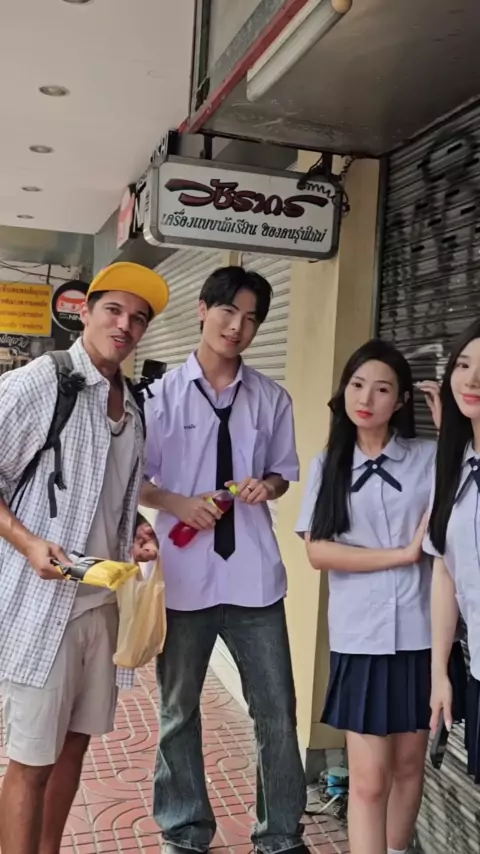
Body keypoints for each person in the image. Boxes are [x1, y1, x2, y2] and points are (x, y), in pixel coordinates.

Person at [0, 261, 169, 854]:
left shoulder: (133, 406)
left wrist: (137, 529)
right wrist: (27, 542)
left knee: (74, 748)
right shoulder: (40, 383)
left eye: (138, 318)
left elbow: (112, 493)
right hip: (44, 607)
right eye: (113, 310)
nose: (125, 325)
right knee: (31, 761)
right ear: (85, 311)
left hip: (103, 604)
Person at [140, 266, 307, 854]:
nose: (238, 327)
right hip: (184, 579)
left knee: (277, 712)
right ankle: (185, 831)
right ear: (203, 310)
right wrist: (177, 502)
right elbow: (136, 481)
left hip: (254, 578)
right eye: (228, 312)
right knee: (178, 710)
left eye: (251, 318)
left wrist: (267, 486)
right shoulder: (157, 398)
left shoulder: (272, 398)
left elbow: (283, 473)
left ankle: (280, 835)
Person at [295, 339, 466, 854]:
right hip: (361, 640)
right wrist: (400, 554)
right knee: (369, 782)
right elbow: (318, 553)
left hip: (421, 637)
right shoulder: (329, 464)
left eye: (382, 389)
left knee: (410, 767)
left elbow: (464, 503)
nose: (366, 398)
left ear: (402, 400)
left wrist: (452, 431)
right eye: (357, 384)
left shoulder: (428, 457)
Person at [426, 319, 480, 783]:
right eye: (463, 365)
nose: (472, 380)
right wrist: (439, 671)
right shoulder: (455, 465)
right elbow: (444, 571)